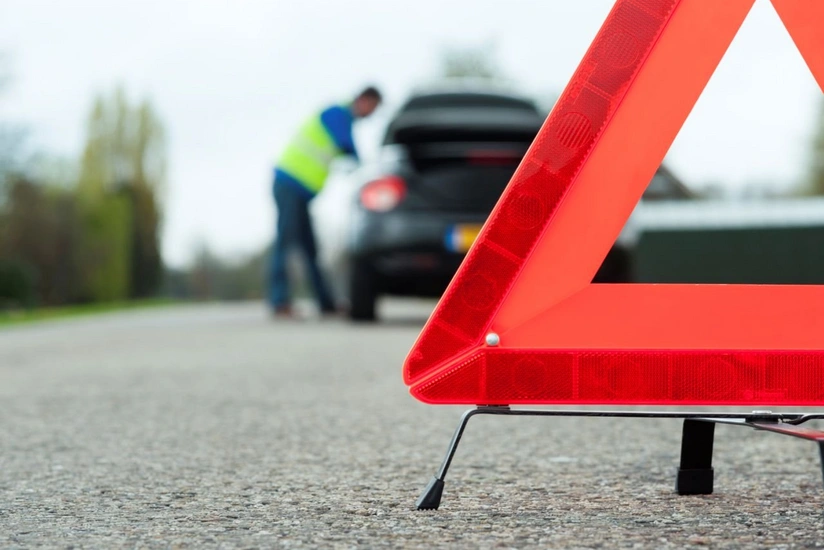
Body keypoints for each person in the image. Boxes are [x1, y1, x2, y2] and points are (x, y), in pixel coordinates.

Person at [269, 86, 382, 318]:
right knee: (286, 242)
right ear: (363, 100)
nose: (371, 114)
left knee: (309, 248)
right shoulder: (337, 113)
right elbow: (346, 145)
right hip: (289, 183)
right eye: (373, 107)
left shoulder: (341, 118)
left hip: (299, 191)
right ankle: (279, 301)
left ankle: (326, 302)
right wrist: (367, 168)